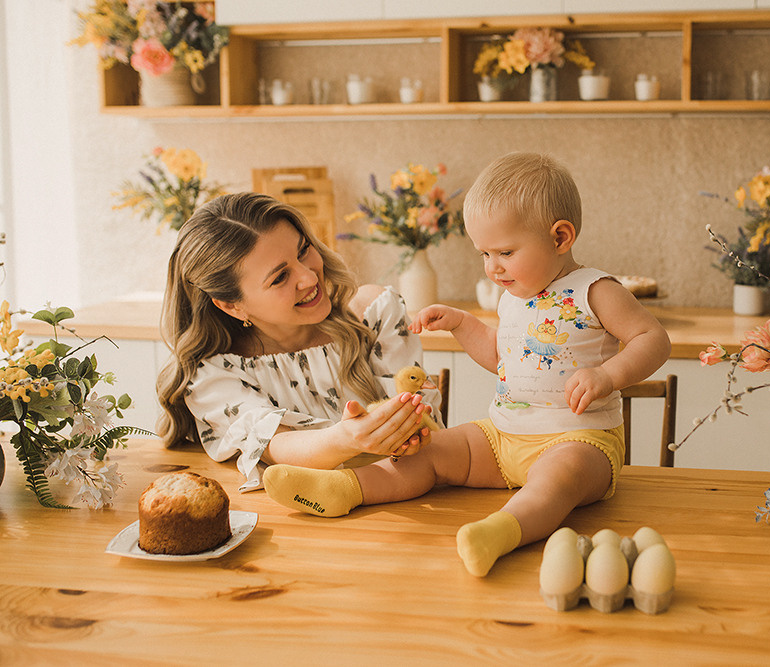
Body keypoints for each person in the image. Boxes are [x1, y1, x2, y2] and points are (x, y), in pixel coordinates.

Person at [262, 152, 671, 576]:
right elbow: (502, 358)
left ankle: (499, 532)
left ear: (560, 237)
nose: (493, 267)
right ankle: (342, 488)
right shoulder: (515, 295)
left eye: (505, 252)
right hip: (501, 437)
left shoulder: (596, 290)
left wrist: (609, 374)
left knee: (555, 482)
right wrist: (460, 324)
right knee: (431, 450)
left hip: (580, 442)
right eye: (484, 254)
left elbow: (653, 339)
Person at [156, 192, 441, 492]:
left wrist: (408, 429)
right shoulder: (215, 374)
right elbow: (275, 444)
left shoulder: (374, 314)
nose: (308, 277)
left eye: (303, 250)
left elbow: (421, 413)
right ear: (232, 305)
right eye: (280, 278)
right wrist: (347, 438)